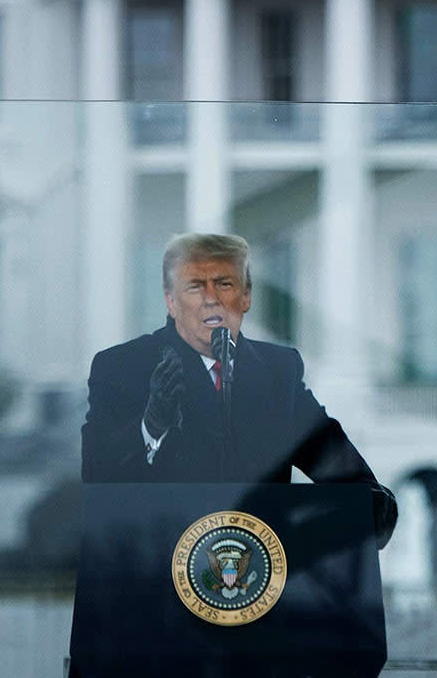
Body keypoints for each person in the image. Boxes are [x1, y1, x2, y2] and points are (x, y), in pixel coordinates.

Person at [82, 232, 397, 544]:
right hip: (157, 575)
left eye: (224, 284)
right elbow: (97, 475)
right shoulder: (124, 366)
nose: (211, 298)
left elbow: (349, 479)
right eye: (195, 286)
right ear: (171, 301)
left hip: (257, 581)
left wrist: (368, 511)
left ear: (246, 297)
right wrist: (150, 425)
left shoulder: (278, 374)